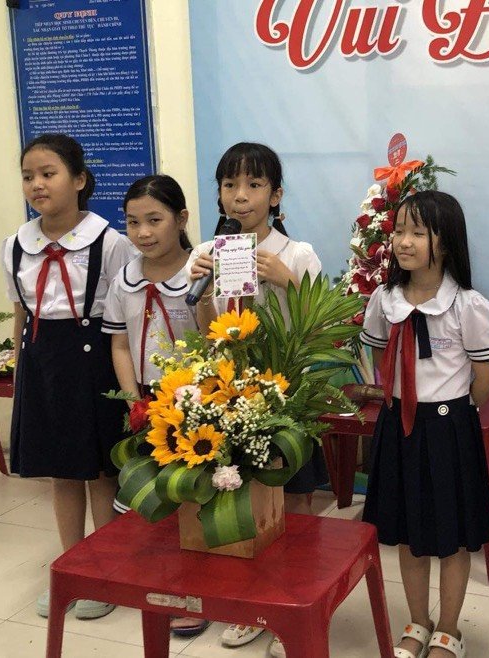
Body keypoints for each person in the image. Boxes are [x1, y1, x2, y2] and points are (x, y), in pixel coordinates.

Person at [186, 142, 326, 658]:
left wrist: (287, 281)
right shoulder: (208, 252)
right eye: (229, 185)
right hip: (232, 395)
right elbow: (208, 333)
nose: (240, 196)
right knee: (244, 504)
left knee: (294, 503)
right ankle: (252, 606)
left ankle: (295, 610)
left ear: (276, 195)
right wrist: (203, 292)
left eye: (254, 185)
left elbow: (322, 325)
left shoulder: (298, 253)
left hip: (288, 396)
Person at [360, 190, 489, 658]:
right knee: (408, 532)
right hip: (398, 425)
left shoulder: (468, 305)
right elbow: (380, 358)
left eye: (418, 232)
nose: (404, 241)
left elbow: (486, 377)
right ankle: (418, 622)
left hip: (449, 429)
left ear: (446, 241)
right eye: (399, 230)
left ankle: (449, 630)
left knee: (452, 536)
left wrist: (454, 414)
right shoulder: (384, 299)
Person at [2, 133, 136, 620]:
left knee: (99, 470)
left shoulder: (111, 242)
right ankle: (72, 566)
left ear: (79, 180)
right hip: (43, 360)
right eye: (28, 176)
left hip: (94, 358)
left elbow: (123, 313)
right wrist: (18, 365)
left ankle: (106, 569)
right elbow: (20, 311)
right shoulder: (16, 245)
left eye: (48, 174)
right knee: (61, 470)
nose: (36, 184)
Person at [102, 174, 215, 637]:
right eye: (133, 222)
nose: (143, 232)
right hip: (146, 401)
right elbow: (119, 344)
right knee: (153, 496)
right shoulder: (124, 280)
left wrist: (205, 293)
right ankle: (162, 583)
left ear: (181, 219)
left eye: (155, 220)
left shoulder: (199, 272)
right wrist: (133, 400)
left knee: (192, 497)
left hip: (196, 402)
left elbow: (213, 340)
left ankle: (198, 590)